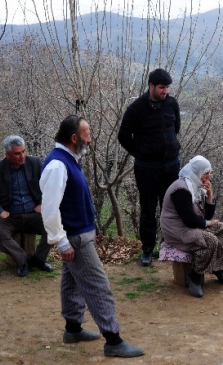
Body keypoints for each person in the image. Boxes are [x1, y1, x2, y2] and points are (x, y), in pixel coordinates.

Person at [40, 115, 144, 358]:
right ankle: (113, 340)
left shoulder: (69, 160)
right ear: (74, 138)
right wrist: (61, 240)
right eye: (87, 134)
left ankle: (73, 329)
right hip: (74, 237)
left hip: (79, 234)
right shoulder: (58, 165)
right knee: (98, 286)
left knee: (72, 283)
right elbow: (49, 208)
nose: (91, 138)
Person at [118, 68, 181, 266]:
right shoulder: (136, 109)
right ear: (151, 86)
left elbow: (175, 128)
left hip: (171, 165)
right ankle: (147, 249)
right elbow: (123, 136)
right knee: (148, 208)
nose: (165, 92)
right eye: (162, 88)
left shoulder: (171, 104)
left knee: (171, 207)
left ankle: (169, 245)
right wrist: (142, 153)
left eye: (168, 88)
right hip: (147, 168)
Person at [0, 135, 52, 277]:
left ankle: (39, 260)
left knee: (55, 225)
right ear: (8, 154)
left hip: (33, 214)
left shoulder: (34, 163)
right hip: (9, 217)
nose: (22, 156)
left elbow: (50, 185)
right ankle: (24, 261)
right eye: (17, 153)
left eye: (23, 151)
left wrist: (43, 203)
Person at [160, 155, 223, 298]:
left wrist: (209, 195)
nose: (208, 176)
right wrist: (208, 224)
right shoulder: (181, 189)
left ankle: (218, 267)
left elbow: (207, 216)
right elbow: (189, 219)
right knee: (210, 240)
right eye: (205, 173)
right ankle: (195, 276)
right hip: (178, 231)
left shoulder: (197, 187)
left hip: (194, 225)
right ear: (196, 172)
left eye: (209, 172)